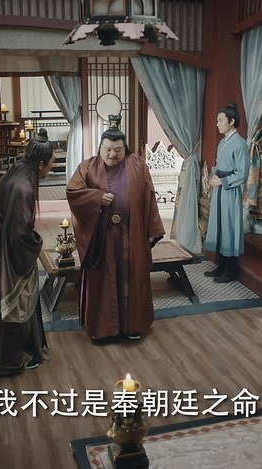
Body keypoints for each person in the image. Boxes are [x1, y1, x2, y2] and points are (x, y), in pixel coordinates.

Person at [66, 115, 165, 341]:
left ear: (125, 148)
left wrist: (152, 230)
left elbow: (149, 197)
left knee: (133, 277)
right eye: (108, 150)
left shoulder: (137, 165)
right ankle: (103, 329)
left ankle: (133, 326)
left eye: (118, 150)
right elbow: (73, 192)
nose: (113, 154)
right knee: (104, 280)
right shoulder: (88, 167)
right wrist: (96, 197)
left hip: (132, 233)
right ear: (100, 148)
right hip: (101, 236)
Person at [0, 128, 56, 374]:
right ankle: (2, 361)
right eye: (52, 161)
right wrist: (36, 243)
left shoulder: (18, 172)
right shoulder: (23, 188)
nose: (52, 165)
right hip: (3, 254)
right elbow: (20, 235)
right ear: (41, 164)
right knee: (4, 306)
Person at [204, 102, 250, 283]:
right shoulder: (223, 142)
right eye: (217, 120)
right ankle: (221, 266)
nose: (218, 124)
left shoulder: (240, 144)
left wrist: (222, 181)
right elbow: (220, 164)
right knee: (220, 226)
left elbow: (242, 173)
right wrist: (214, 175)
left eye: (220, 120)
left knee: (229, 227)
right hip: (219, 189)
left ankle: (231, 271)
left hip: (229, 190)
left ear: (231, 121)